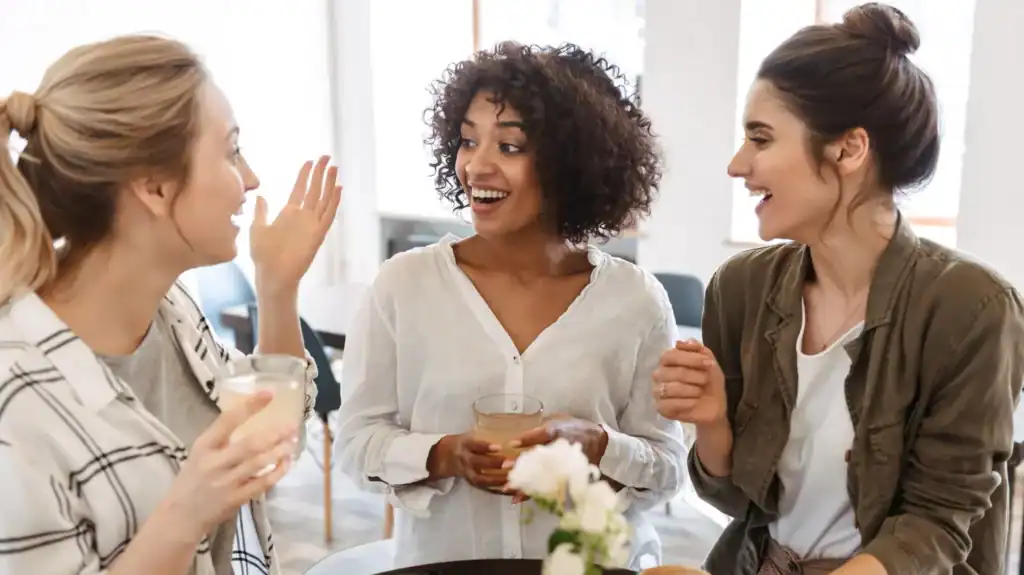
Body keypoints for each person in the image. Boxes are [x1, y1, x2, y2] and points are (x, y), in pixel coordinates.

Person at [653, 4, 1024, 575]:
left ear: (849, 149)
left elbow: (937, 523)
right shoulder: (742, 288)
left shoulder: (972, 308)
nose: (737, 165)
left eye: (760, 138)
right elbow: (733, 502)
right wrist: (712, 423)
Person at [0, 35, 341, 575]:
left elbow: (271, 434)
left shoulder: (172, 312)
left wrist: (277, 288)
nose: (250, 179)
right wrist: (185, 515)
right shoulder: (15, 399)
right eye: (231, 151)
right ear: (155, 188)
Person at [337, 42, 686, 570]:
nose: (476, 166)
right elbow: (356, 443)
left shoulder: (634, 301)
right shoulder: (404, 286)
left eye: (510, 147)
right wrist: (442, 454)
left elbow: (667, 468)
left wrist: (599, 445)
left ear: (571, 161)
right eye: (468, 141)